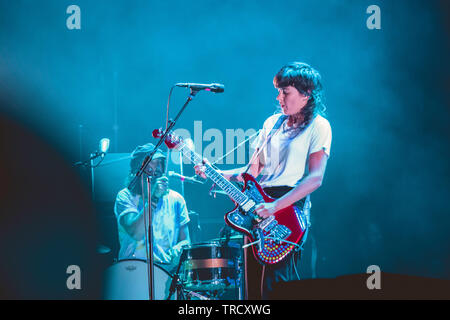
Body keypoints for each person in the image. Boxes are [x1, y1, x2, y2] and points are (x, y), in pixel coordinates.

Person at [195, 62, 332, 299]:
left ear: (306, 94)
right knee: (253, 287)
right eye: (278, 92)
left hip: (287, 210)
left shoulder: (319, 126)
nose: (279, 98)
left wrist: (275, 206)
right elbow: (252, 172)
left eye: (285, 92)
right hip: (257, 209)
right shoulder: (272, 123)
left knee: (276, 285)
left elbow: (315, 178)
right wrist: (216, 172)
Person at [114, 143, 190, 269]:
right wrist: (154, 198)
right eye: (152, 162)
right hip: (132, 268)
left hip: (166, 269)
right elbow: (136, 233)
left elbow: (186, 240)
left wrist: (179, 248)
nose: (157, 167)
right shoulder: (125, 196)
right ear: (138, 169)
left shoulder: (176, 199)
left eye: (159, 162)